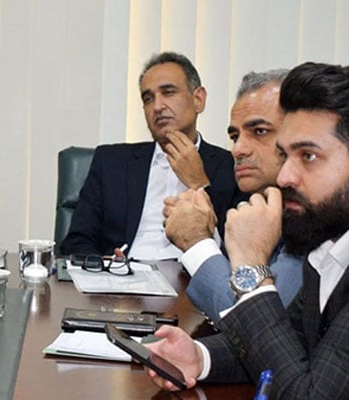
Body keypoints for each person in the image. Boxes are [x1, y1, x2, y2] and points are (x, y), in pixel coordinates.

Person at [147, 62, 349, 399]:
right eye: (286, 155)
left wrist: (251, 270)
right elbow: (288, 347)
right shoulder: (325, 248)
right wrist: (200, 358)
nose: (286, 176)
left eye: (309, 156)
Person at [61, 52, 242, 259]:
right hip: (123, 282)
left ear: (198, 99)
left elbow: (237, 251)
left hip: (193, 283)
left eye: (168, 92)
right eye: (148, 98)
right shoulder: (111, 162)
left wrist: (198, 183)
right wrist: (101, 266)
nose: (157, 107)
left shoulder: (233, 165)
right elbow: (76, 241)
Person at [164, 70, 303, 322]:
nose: (237, 149)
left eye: (259, 131)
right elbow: (238, 288)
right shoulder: (257, 203)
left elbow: (256, 326)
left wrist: (196, 242)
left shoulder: (313, 215)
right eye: (234, 136)